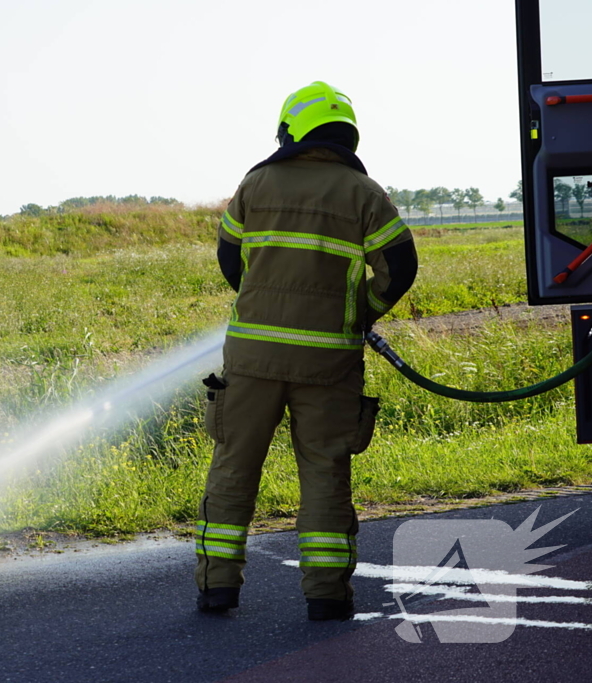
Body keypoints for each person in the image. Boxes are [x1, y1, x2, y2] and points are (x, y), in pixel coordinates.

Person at [195, 81, 418, 620]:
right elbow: (400, 268)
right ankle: (326, 596)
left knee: (233, 468)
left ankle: (217, 589)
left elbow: (231, 263)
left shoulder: (255, 184)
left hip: (251, 360)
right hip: (328, 363)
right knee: (324, 471)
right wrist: (357, 311)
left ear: (291, 130)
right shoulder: (364, 194)